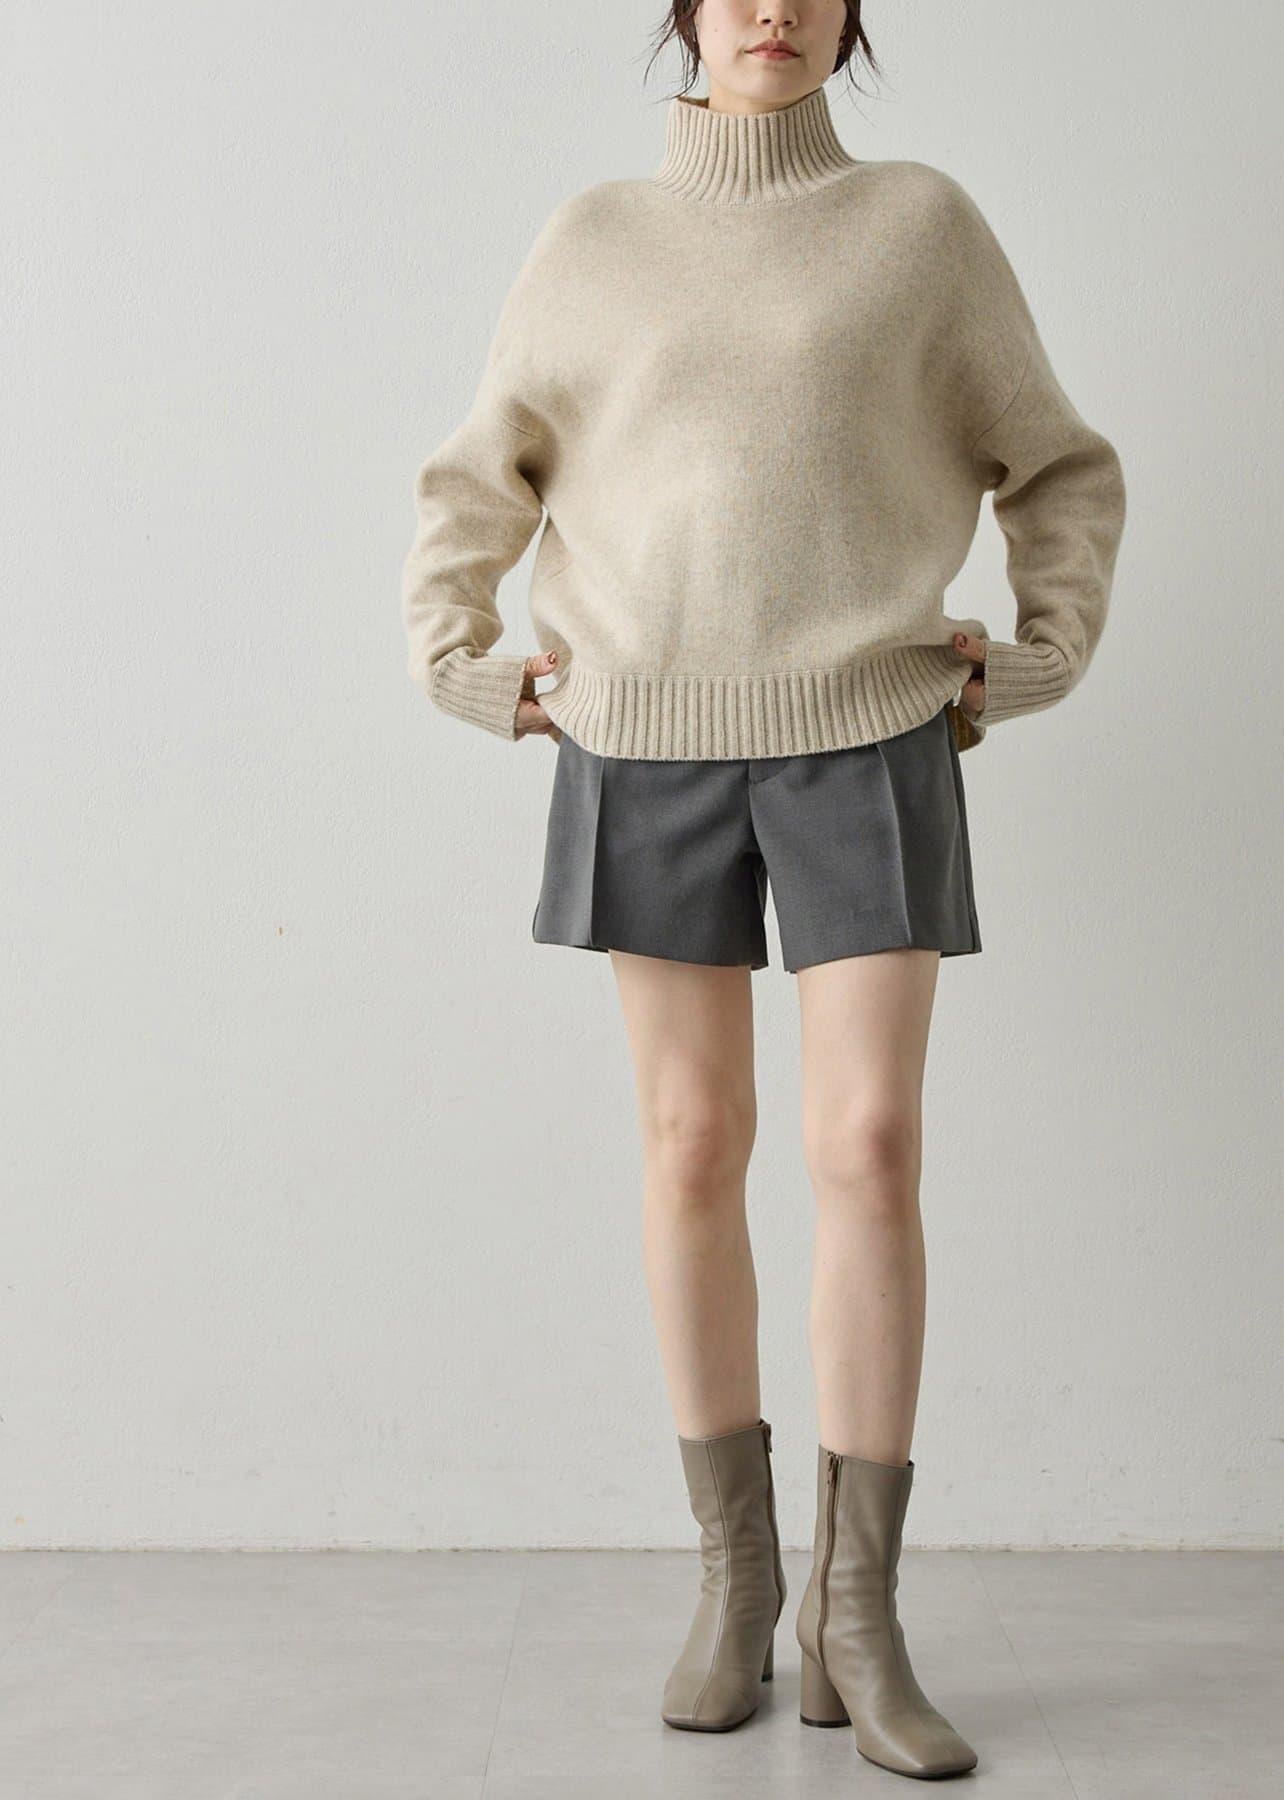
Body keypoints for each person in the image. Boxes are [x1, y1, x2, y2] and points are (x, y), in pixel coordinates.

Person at [399, 1, 1125, 1781]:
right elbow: (477, 476)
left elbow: (1058, 465)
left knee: (866, 1144)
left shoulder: (919, 226)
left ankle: (855, 1617)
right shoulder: (595, 239)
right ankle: (736, 1587)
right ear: (687, 12)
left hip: (866, 727)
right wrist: (469, 664)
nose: (775, 10)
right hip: (642, 737)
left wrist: (1036, 652)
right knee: (689, 1143)